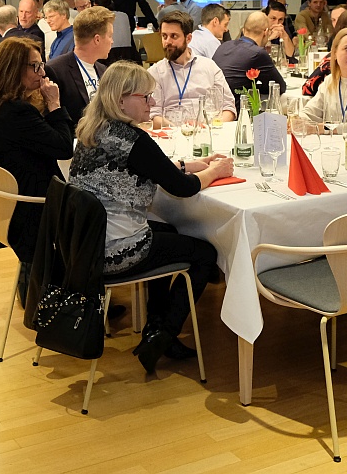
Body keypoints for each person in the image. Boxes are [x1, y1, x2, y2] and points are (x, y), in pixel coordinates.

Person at [70, 61, 232, 374]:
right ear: (121, 101)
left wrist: (189, 165)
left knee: (169, 230)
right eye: (145, 97)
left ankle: (156, 328)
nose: (152, 102)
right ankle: (164, 333)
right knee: (205, 254)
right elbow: (182, 188)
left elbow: (152, 168)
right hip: (115, 250)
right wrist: (215, 171)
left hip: (86, 244)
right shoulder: (134, 140)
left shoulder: (94, 129)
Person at [0, 36, 73, 262]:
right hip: (30, 210)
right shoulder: (16, 112)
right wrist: (55, 105)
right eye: (35, 66)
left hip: (3, 210)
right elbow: (65, 148)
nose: (42, 73)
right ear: (12, 69)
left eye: (41, 65)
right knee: (98, 208)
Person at [147, 11, 235, 124]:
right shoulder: (155, 72)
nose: (167, 42)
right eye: (164, 36)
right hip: (172, 130)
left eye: (174, 36)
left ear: (188, 38)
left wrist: (211, 127)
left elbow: (229, 107)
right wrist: (179, 130)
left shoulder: (209, 66)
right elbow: (153, 115)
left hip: (209, 128)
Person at [45, 6, 114, 128]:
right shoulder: (55, 70)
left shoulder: (103, 70)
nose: (112, 41)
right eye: (110, 36)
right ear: (97, 39)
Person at [212, 11, 286, 108]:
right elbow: (279, 87)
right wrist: (254, 88)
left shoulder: (224, 45)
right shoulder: (258, 53)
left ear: (243, 30)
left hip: (214, 105)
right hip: (237, 109)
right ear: (266, 32)